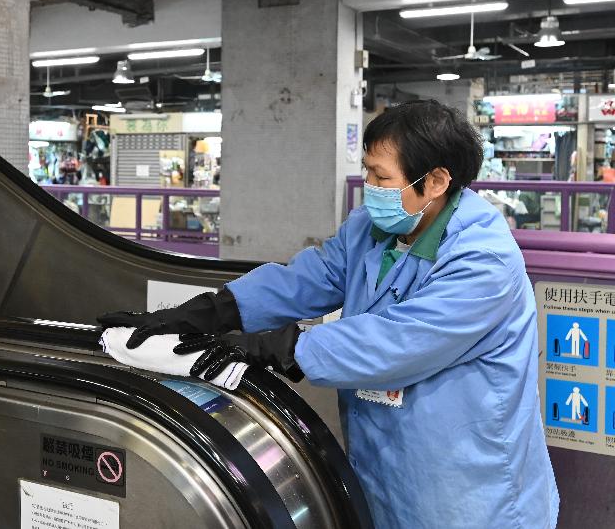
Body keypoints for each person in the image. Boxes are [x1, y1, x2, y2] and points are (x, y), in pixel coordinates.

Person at [99, 100, 559, 528]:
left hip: (470, 490)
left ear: (435, 182)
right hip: (390, 472)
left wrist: (281, 347)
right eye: (367, 173)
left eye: (381, 178)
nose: (370, 189)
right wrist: (213, 311)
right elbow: (311, 277)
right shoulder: (371, 228)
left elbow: (399, 341)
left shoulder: (483, 259)